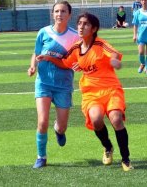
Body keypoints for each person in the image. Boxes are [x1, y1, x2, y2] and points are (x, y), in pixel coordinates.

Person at [37, 13, 134, 171]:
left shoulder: (100, 44)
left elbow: (114, 54)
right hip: (90, 92)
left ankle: (126, 159)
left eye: (86, 24)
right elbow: (65, 63)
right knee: (96, 120)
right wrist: (49, 58)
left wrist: (115, 61)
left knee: (116, 119)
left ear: (94, 28)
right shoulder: (75, 48)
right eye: (80, 23)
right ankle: (108, 147)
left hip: (111, 89)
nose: (81, 27)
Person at [27, 1, 79, 169]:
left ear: (69, 15)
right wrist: (33, 66)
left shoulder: (75, 37)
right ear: (52, 14)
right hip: (43, 83)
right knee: (42, 122)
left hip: (63, 85)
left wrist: (77, 64)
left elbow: (76, 60)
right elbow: (36, 52)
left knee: (62, 126)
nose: (59, 14)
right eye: (56, 11)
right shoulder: (43, 32)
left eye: (63, 11)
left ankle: (59, 131)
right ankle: (41, 156)